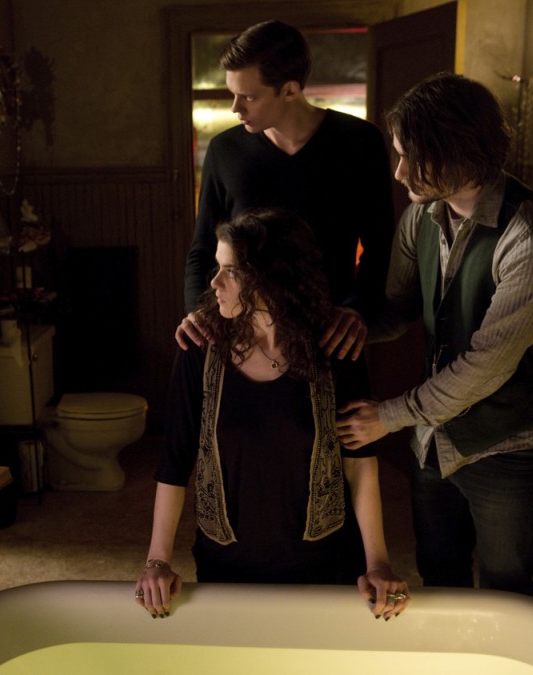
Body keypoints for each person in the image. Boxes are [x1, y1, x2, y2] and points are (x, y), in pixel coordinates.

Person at [336, 73, 533, 596]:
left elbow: (488, 364)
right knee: (439, 579)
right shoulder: (419, 218)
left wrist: (389, 416)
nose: (398, 172)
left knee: (506, 591)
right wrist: (341, 328)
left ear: (456, 151)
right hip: (434, 437)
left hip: (509, 438)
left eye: (410, 157)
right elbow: (398, 310)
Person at [136, 208, 409, 619]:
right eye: (216, 268)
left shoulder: (334, 347)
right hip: (227, 563)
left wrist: (378, 562)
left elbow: (358, 461)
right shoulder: (200, 347)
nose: (214, 283)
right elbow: (174, 463)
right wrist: (157, 560)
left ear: (270, 276)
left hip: (325, 563)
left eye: (230, 271)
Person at [176, 20, 394, 368]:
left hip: (330, 335)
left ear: (290, 90)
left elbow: (381, 242)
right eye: (233, 94)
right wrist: (197, 312)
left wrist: (357, 308)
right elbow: (202, 248)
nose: (235, 108)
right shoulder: (225, 150)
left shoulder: (359, 142)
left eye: (249, 96)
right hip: (245, 336)